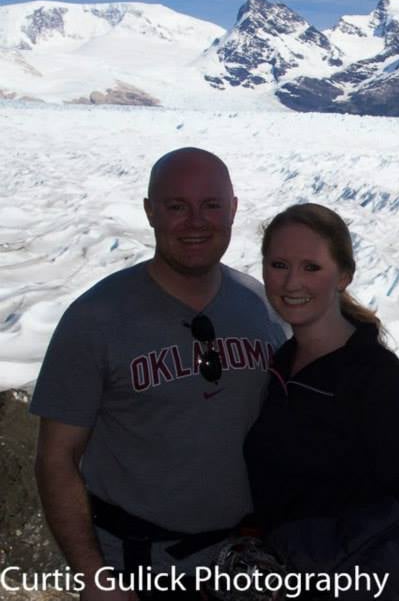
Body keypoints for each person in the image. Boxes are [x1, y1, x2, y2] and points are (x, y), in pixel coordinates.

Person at [30, 147, 286, 600]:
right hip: (140, 569)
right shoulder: (95, 319)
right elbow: (57, 459)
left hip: (250, 563)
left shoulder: (264, 311)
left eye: (211, 205)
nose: (195, 221)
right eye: (176, 206)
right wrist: (95, 578)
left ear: (233, 210)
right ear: (150, 212)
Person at [245, 203, 399, 599]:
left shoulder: (377, 381)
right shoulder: (282, 364)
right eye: (278, 265)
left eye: (311, 267)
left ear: (343, 276)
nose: (291, 282)